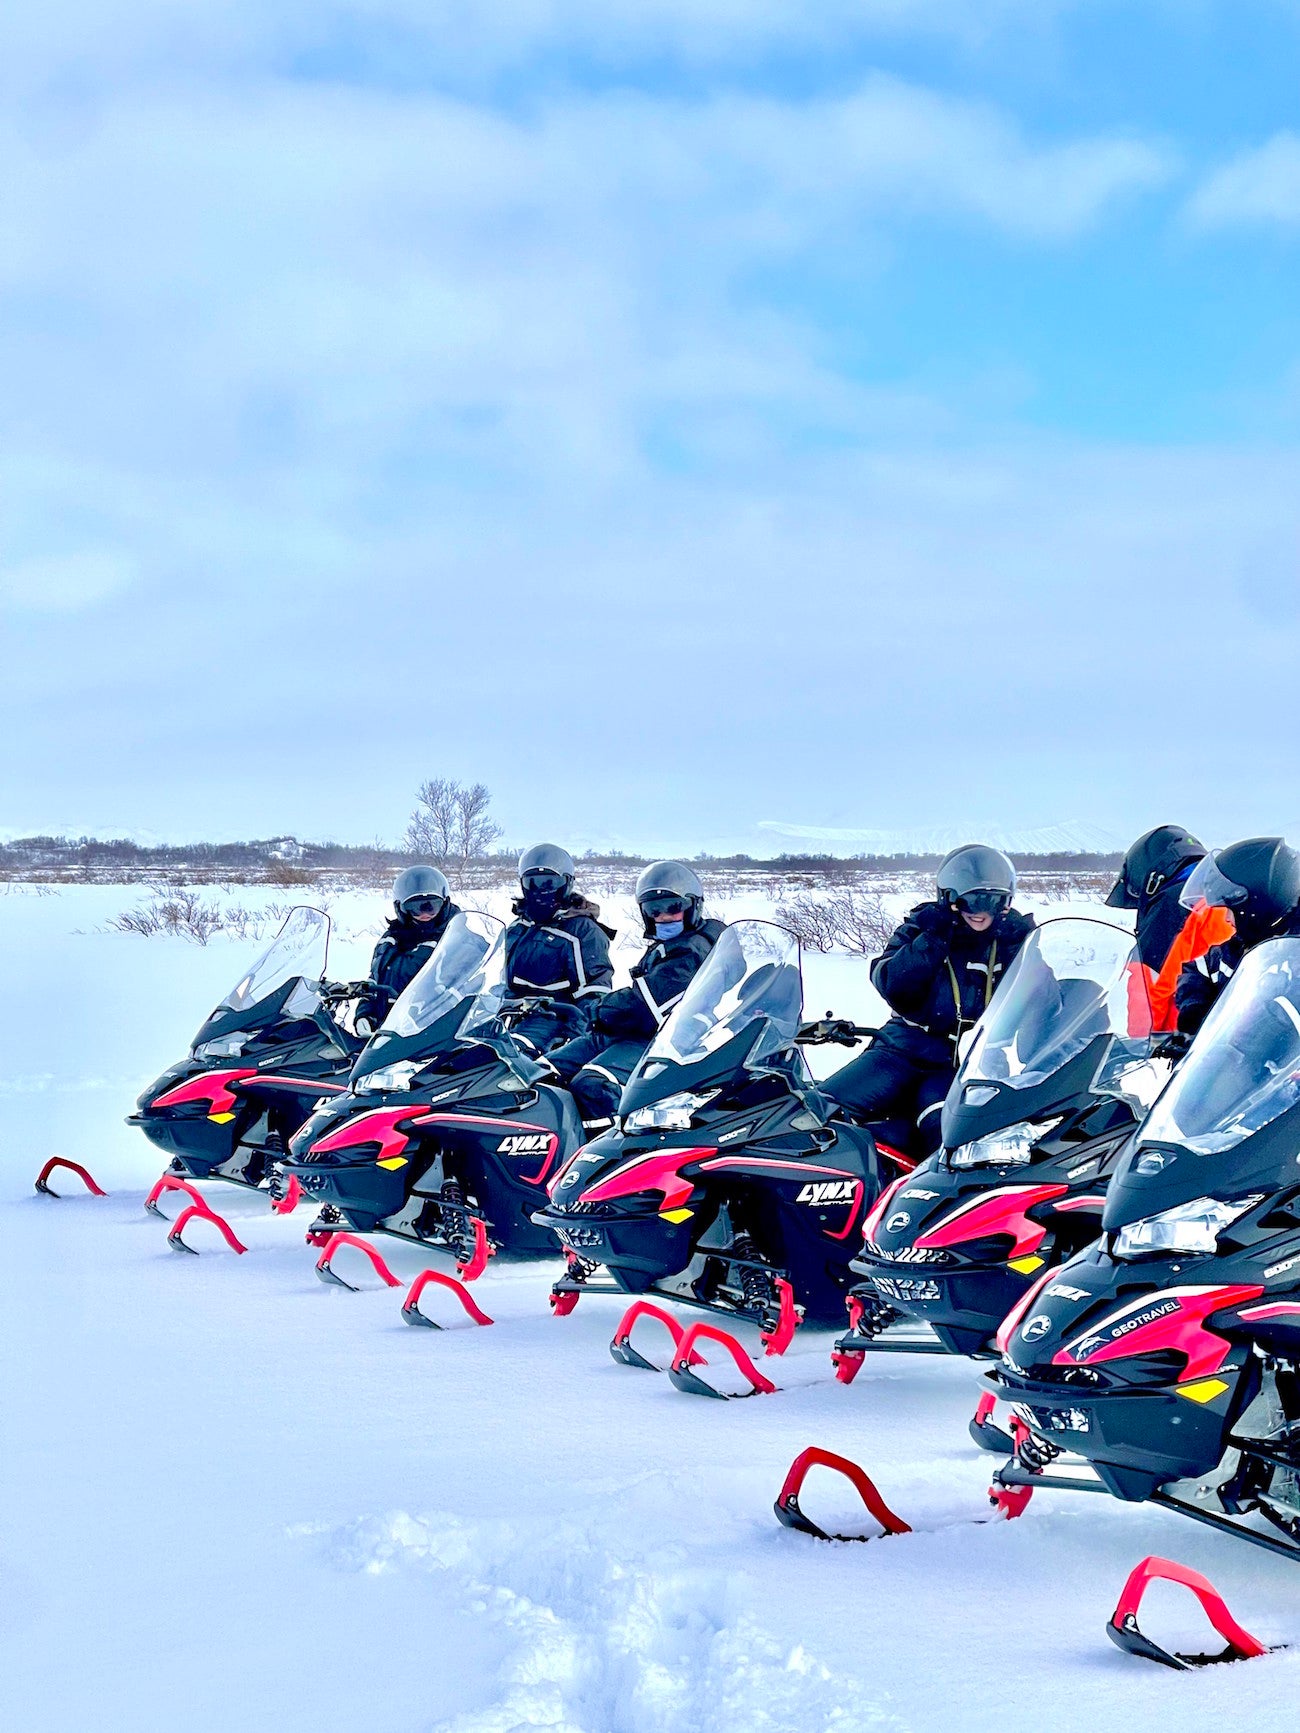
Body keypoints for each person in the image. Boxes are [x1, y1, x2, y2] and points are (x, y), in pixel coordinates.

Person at [820, 844, 1035, 1156]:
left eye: (992, 901)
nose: (980, 911)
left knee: (949, 1134)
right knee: (819, 1111)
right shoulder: (923, 926)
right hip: (902, 1048)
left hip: (969, 1063)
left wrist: (1022, 951)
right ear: (949, 898)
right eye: (970, 900)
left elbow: (1040, 1002)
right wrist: (933, 939)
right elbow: (892, 984)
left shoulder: (1014, 939)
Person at [549, 861, 726, 1126]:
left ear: (692, 906)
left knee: (594, 1086)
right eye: (654, 910)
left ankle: (607, 1145)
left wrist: (599, 1009)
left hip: (668, 1039)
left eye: (673, 907)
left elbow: (645, 1005)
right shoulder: (673, 943)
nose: (663, 916)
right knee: (546, 1071)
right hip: (634, 1032)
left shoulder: (693, 951)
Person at [1105, 824, 1234, 1032]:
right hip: (1227, 1032)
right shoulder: (1224, 898)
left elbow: (1147, 991)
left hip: (1184, 1038)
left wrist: (1143, 1044)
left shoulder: (1170, 905)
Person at [1174, 838, 1300, 1038]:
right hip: (1240, 1054)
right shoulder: (1241, 946)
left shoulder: (1293, 950)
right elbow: (1198, 969)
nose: (1225, 918)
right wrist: (1194, 1007)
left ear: (1255, 906)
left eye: (1230, 909)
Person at [502, 844, 615, 1053]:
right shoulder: (518, 927)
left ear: (566, 883)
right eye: (533, 882)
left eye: (549, 882)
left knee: (507, 1055)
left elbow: (594, 991)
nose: (540, 891)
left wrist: (575, 1037)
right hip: (510, 1014)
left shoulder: (582, 930)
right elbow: (505, 981)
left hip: (555, 1018)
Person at [357, 865, 460, 1031]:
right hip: (387, 1033)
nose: (424, 914)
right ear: (402, 908)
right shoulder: (390, 941)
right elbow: (374, 979)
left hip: (432, 1033)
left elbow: (473, 985)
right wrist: (365, 1014)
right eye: (416, 908)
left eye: (431, 906)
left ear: (444, 904)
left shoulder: (456, 940)